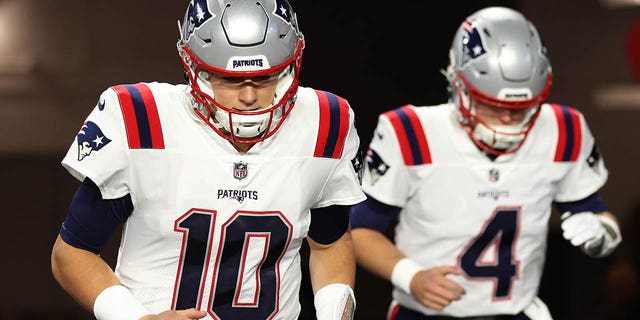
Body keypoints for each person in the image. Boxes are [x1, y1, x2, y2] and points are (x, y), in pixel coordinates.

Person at [50, 1, 365, 319]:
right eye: (229, 80)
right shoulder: (142, 121)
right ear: (194, 69)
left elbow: (330, 245)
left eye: (266, 77)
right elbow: (72, 252)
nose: (248, 97)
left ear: (290, 67)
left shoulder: (325, 123)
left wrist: (335, 311)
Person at [349, 6, 622, 320]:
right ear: (459, 86)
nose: (507, 117)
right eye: (493, 105)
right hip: (423, 313)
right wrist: (412, 276)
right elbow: (359, 230)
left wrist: (604, 236)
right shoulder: (411, 132)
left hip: (516, 312)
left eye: (520, 106)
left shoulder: (563, 129)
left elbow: (592, 212)